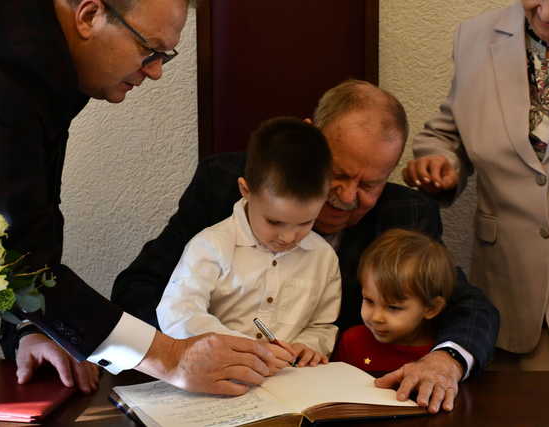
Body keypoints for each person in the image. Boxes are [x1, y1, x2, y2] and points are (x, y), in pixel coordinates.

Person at [112, 79, 500, 413]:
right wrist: (183, 353)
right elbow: (139, 287)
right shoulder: (225, 183)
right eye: (338, 174)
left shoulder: (406, 214)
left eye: (369, 185)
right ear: (310, 139)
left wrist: (446, 360)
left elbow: (469, 307)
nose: (348, 197)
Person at [0, 0, 276, 397]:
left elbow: (20, 227)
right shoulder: (11, 78)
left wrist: (30, 327)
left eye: (165, 56)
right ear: (90, 15)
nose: (156, 72)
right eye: (150, 50)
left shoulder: (45, 66)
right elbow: (19, 254)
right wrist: (171, 357)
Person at [403, 0, 549, 370]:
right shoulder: (475, 37)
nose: (547, 12)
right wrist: (442, 161)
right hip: (506, 297)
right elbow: (449, 131)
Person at [157, 117, 341, 367]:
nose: (288, 237)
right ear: (245, 190)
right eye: (274, 222)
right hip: (216, 376)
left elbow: (322, 325)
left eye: (305, 223)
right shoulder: (212, 245)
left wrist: (308, 347)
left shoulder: (324, 257)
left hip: (289, 381)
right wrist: (241, 348)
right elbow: (177, 312)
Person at [332, 228, 455, 375]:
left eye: (393, 308)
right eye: (369, 301)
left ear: (431, 308)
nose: (376, 317)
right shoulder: (352, 342)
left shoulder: (439, 356)